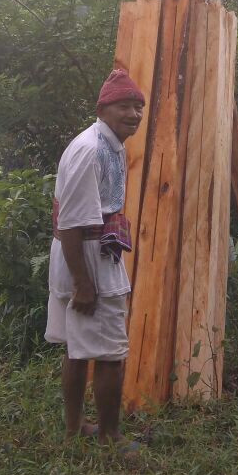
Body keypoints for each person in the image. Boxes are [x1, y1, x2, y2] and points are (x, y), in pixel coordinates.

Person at [45, 68, 145, 445]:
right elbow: (71, 223)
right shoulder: (90, 150)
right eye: (124, 106)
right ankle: (109, 437)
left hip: (88, 250)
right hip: (86, 257)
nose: (133, 114)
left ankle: (75, 429)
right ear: (103, 108)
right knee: (108, 353)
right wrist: (84, 283)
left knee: (77, 346)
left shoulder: (109, 145)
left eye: (138, 107)